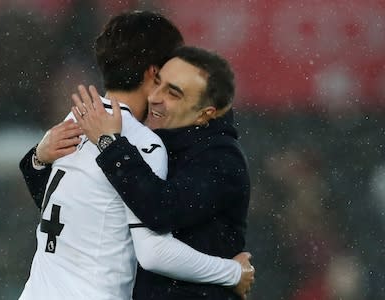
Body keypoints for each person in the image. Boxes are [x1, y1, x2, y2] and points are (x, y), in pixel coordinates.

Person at [19, 11, 253, 300]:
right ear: (154, 73)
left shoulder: (76, 120)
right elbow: (153, 251)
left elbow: (71, 205)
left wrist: (36, 160)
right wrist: (232, 273)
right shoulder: (141, 144)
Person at [69, 46, 252, 300]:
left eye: (173, 93)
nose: (154, 97)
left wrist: (109, 145)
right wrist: (38, 160)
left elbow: (160, 209)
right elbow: (79, 206)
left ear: (204, 114)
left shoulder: (221, 160)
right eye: (157, 83)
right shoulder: (155, 142)